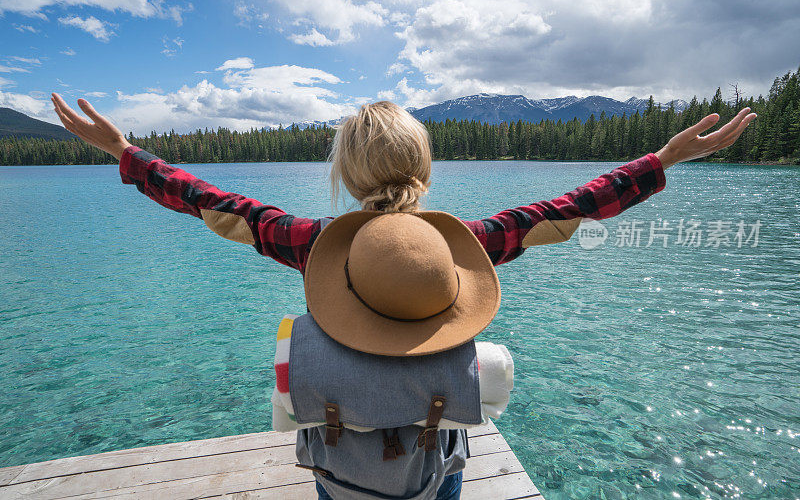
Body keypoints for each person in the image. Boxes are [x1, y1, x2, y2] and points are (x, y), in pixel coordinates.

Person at [50, 93, 756, 499]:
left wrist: (127, 154)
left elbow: (211, 202)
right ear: (423, 168)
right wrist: (660, 161)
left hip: (341, 464)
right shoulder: (464, 247)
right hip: (432, 458)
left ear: (347, 176)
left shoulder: (313, 242)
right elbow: (568, 210)